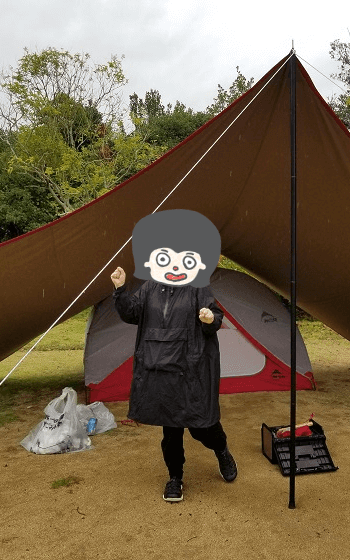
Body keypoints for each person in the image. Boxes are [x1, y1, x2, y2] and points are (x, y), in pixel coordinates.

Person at [110, 209, 237, 503]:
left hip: (190, 370)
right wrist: (120, 290)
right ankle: (175, 478)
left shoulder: (197, 286)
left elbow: (215, 316)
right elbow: (131, 313)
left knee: (203, 427)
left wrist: (208, 319)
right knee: (171, 432)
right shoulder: (150, 287)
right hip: (161, 370)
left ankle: (221, 450)